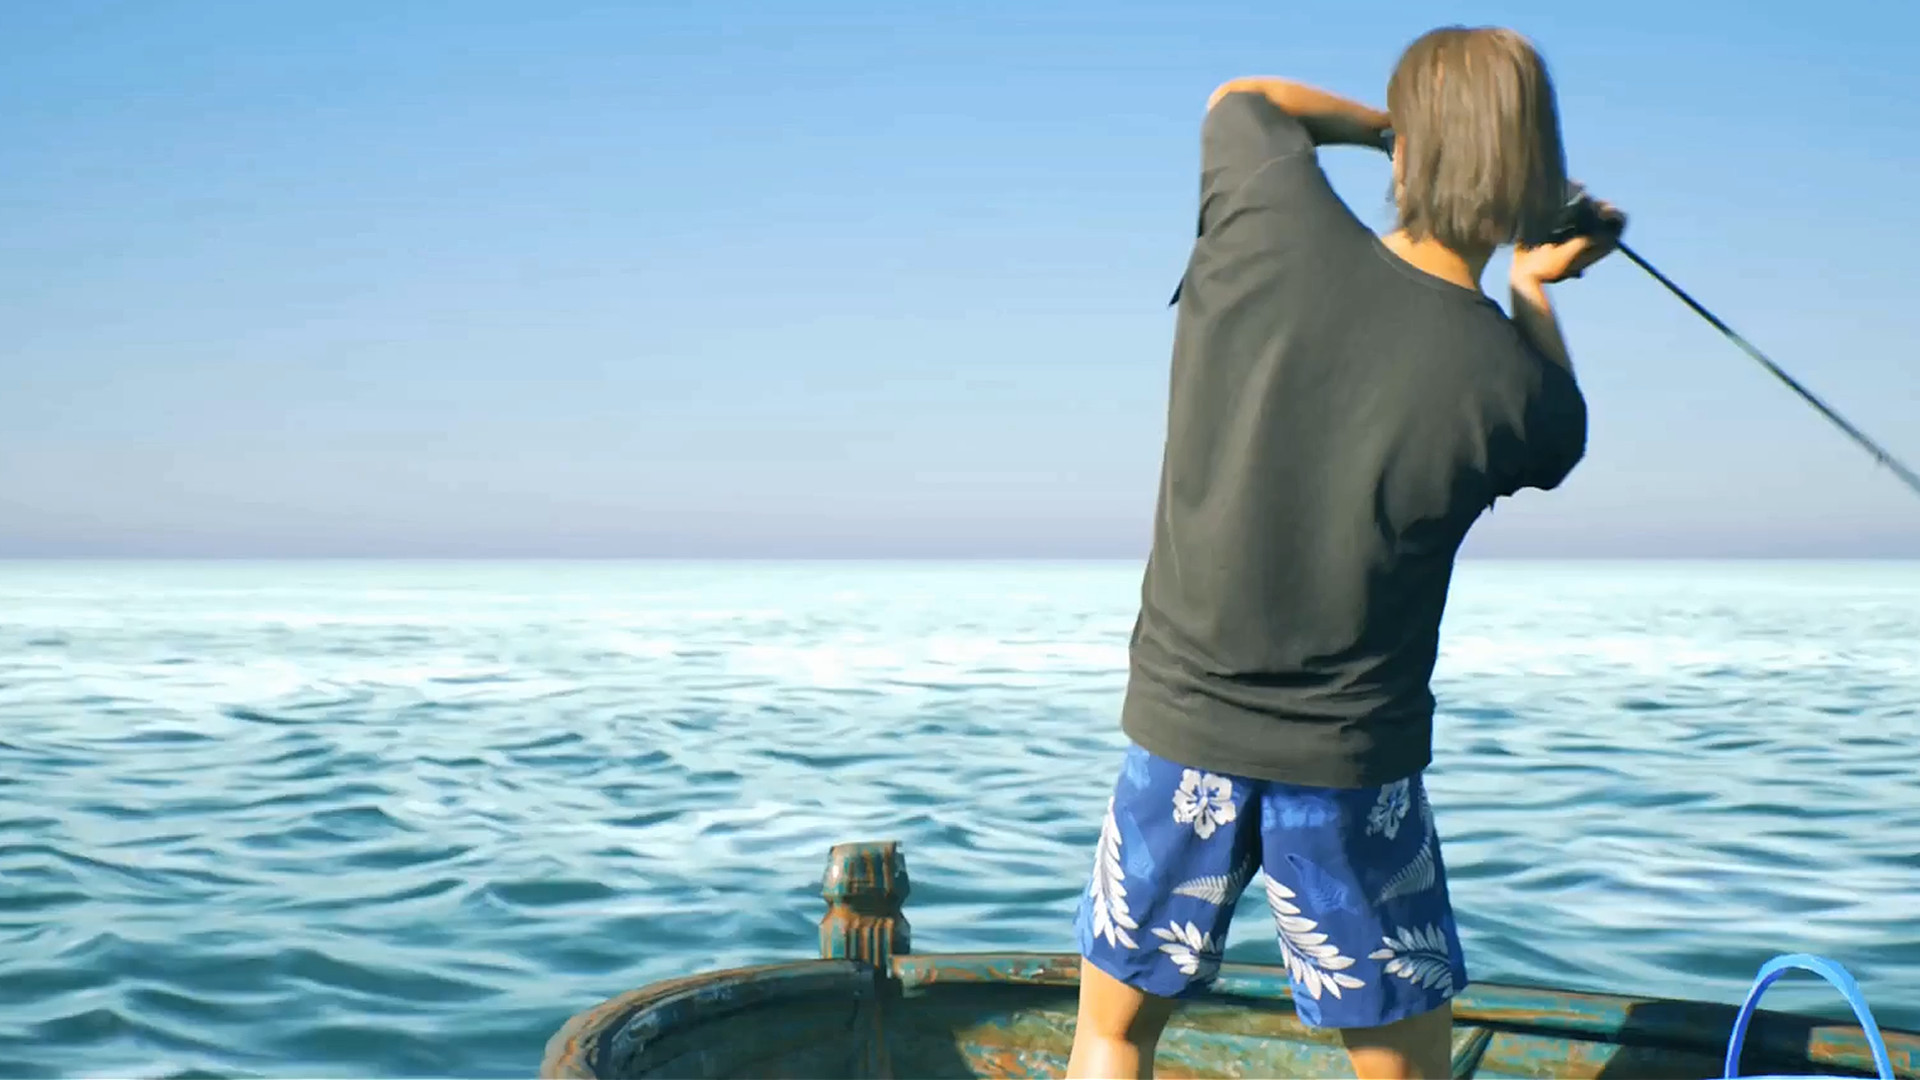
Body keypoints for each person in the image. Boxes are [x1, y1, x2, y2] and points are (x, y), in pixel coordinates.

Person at [1066, 26, 1625, 1080]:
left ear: (1408, 151)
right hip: (1350, 763)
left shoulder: (1266, 216)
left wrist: (1395, 131)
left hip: (1182, 729)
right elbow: (1561, 433)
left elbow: (1245, 98)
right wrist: (1535, 285)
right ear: (1530, 178)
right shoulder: (1514, 389)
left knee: (1112, 1032)